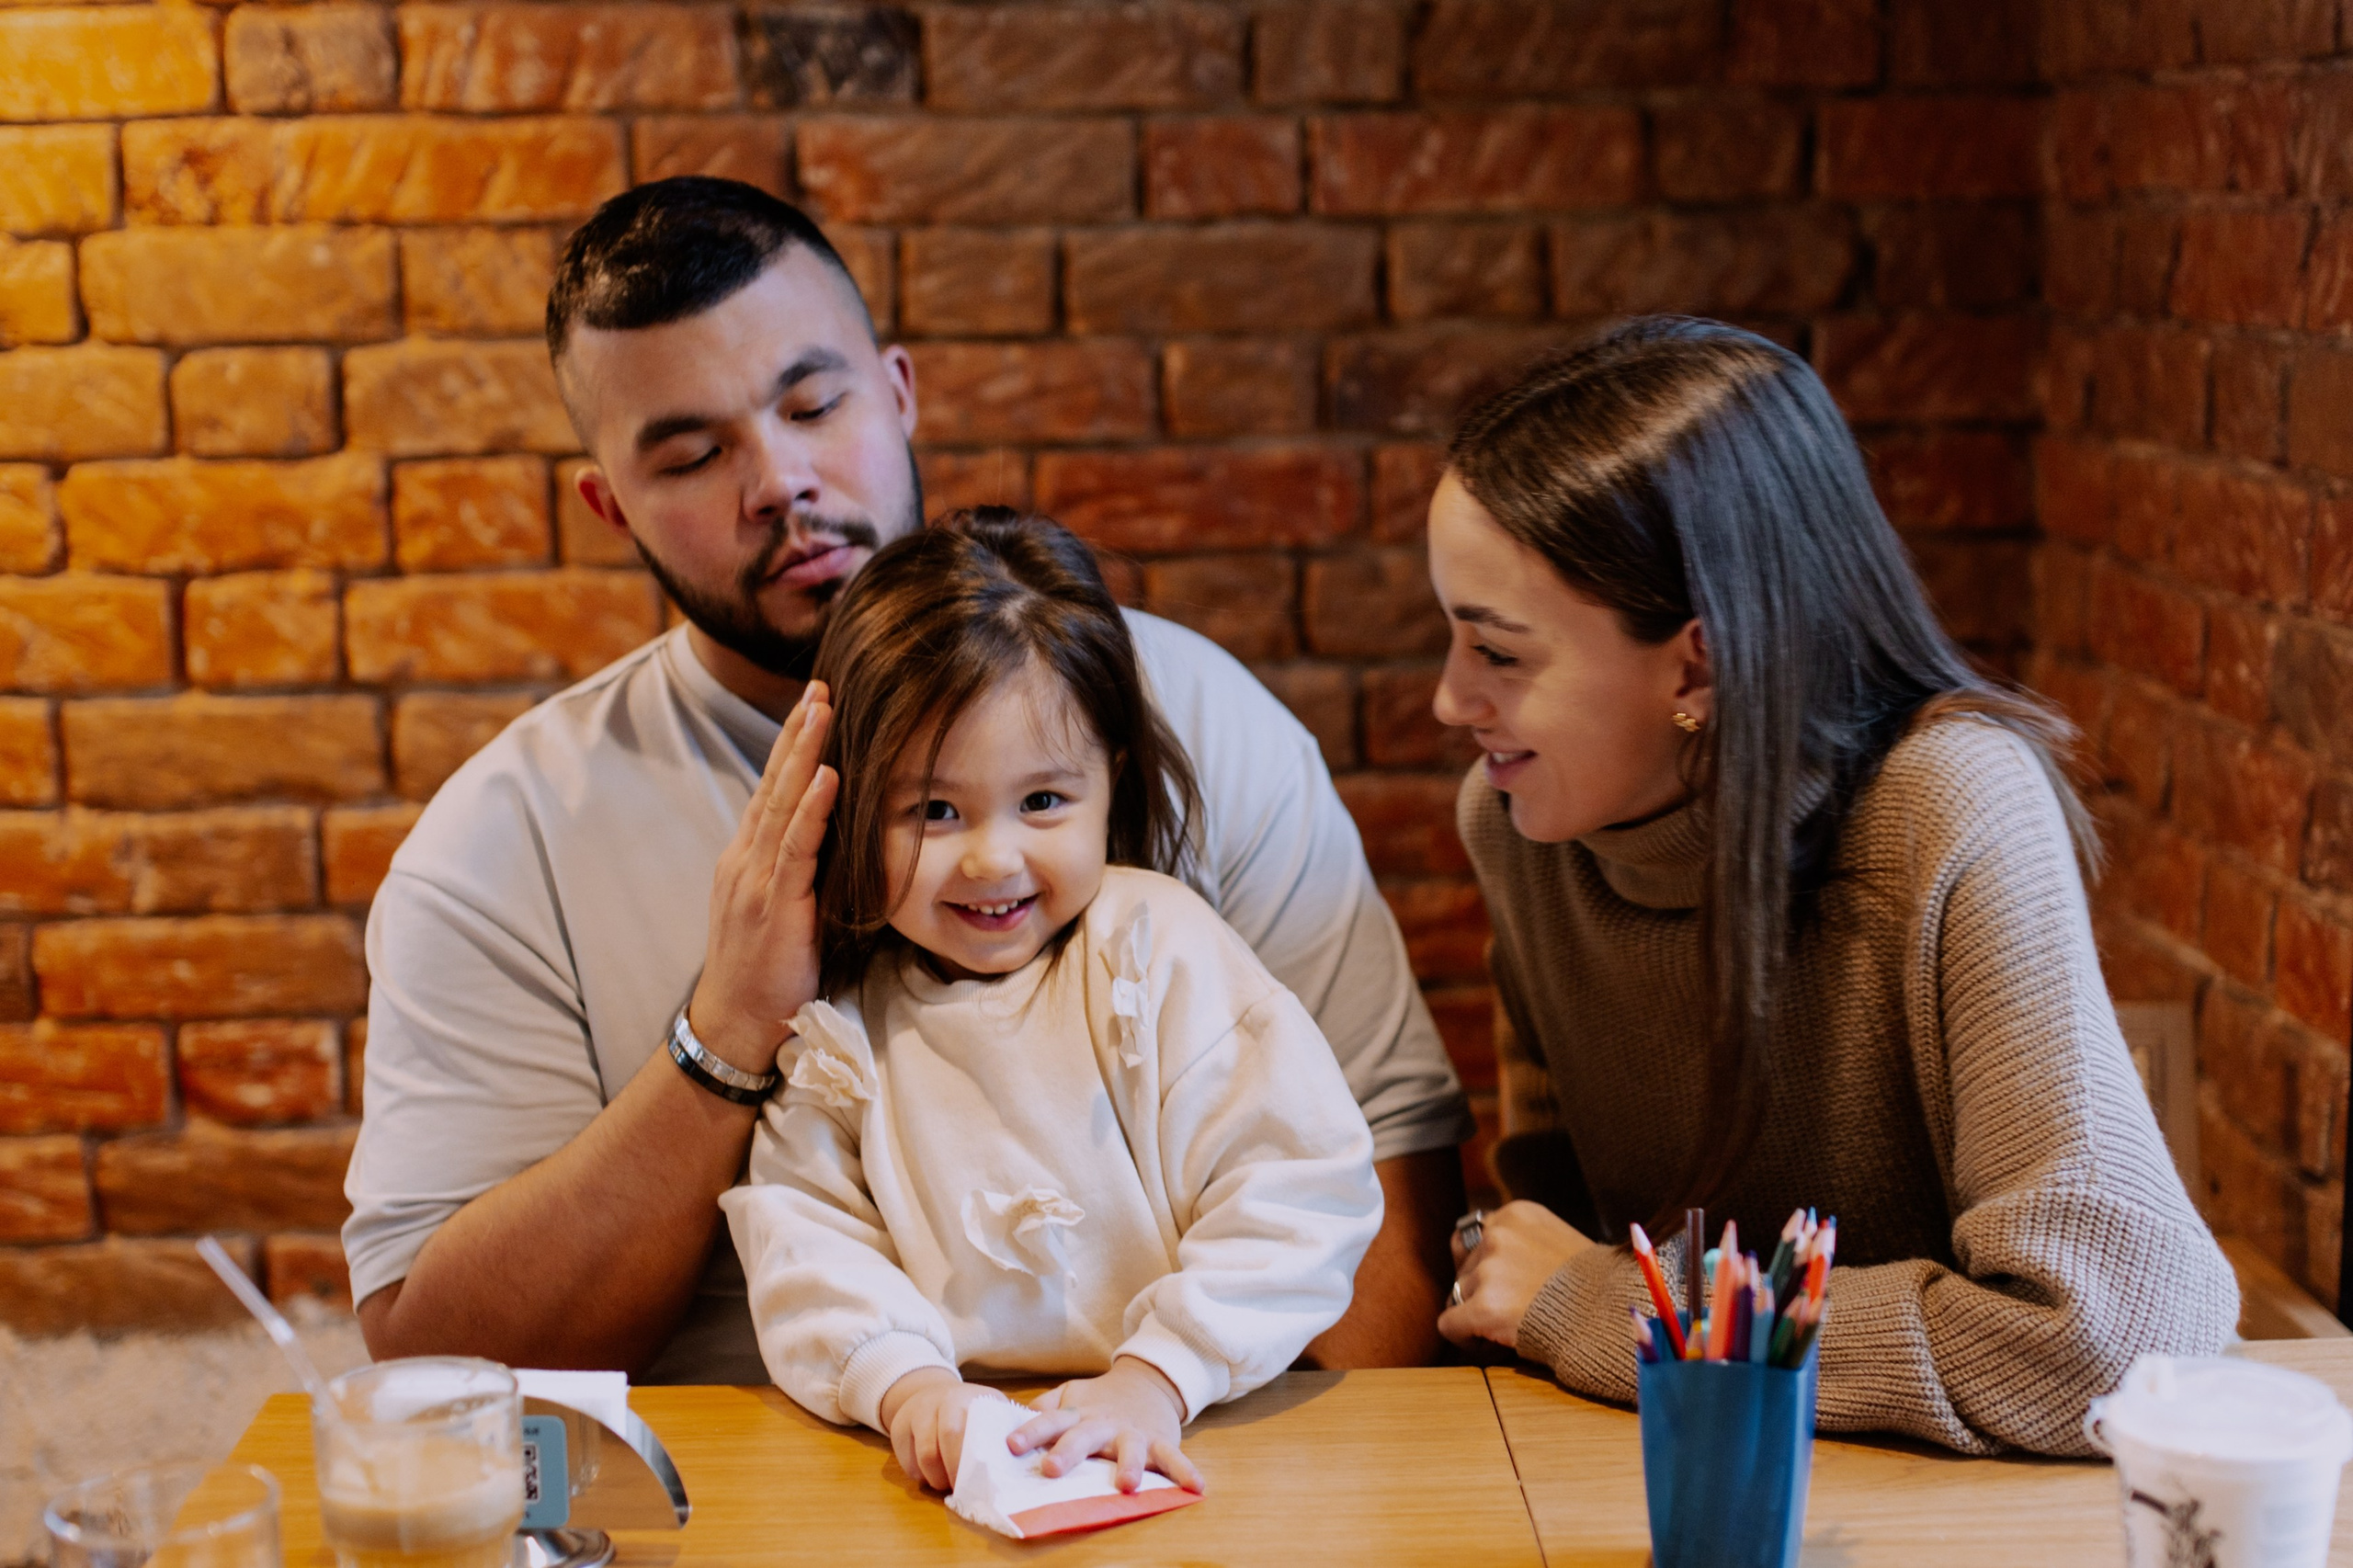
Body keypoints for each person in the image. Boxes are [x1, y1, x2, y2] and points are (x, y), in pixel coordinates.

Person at [341, 176, 1467, 1382]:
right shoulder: (502, 841)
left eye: (814, 403)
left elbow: (1376, 1165)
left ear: (899, 391)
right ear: (611, 504)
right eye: (690, 453)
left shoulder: (1186, 712)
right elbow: (435, 1351)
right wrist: (726, 1032)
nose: (776, 480)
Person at [1427, 318, 2237, 1456]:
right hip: (1671, 1468)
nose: (1448, 700)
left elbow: (2114, 1340)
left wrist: (1612, 1309)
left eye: (1498, 652)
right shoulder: (1518, 824)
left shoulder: (1950, 803)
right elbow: (1558, 1232)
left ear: (1696, 664)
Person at [722, 510, 1381, 1494]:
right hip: (959, 1470)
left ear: (1109, 779)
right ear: (853, 804)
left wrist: (1156, 1376)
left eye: (1041, 801)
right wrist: (907, 1388)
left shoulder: (1160, 953)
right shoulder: (846, 1028)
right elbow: (804, 1239)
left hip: (1194, 1435)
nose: (991, 858)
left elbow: (1299, 1186)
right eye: (933, 810)